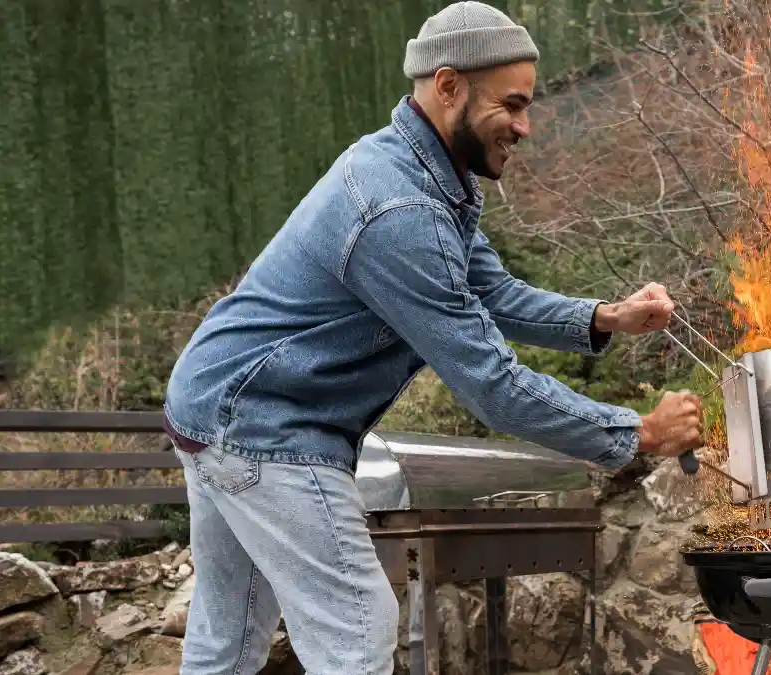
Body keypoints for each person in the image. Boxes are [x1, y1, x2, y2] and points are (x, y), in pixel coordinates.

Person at [162, 2, 706, 673]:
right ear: (449, 86)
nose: (526, 126)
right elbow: (495, 389)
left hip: (213, 404)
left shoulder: (422, 174)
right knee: (358, 627)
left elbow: (493, 292)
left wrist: (604, 316)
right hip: (266, 426)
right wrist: (640, 433)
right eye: (511, 104)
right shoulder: (401, 210)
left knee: (229, 638)